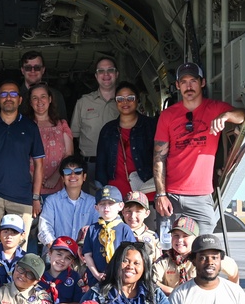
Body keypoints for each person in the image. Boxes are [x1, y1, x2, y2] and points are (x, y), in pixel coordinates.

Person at [153, 62, 245, 234]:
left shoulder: (216, 108)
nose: (189, 86)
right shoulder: (168, 115)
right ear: (178, 86)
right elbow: (159, 158)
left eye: (193, 81)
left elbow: (244, 115)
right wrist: (161, 195)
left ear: (202, 83)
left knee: (203, 249)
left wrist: (226, 116)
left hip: (201, 197)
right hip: (171, 196)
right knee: (170, 250)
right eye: (184, 81)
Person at [0, 81, 46, 254]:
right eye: (4, 95)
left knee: (20, 250)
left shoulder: (30, 127)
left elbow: (39, 164)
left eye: (13, 94)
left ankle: (17, 282)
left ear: (20, 100)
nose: (8, 98)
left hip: (22, 196)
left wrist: (35, 197)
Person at [95, 82, 156, 200]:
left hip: (146, 189)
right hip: (115, 192)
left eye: (130, 98)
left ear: (137, 100)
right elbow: (101, 161)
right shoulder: (108, 129)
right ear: (115, 102)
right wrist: (101, 188)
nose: (125, 102)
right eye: (120, 99)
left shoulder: (151, 125)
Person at [153, 216, 240, 294]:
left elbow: (233, 271)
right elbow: (153, 282)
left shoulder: (204, 258)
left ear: (195, 238)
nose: (180, 240)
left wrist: (233, 293)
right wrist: (176, 293)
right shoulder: (164, 260)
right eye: (176, 235)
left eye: (185, 236)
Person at [71, 56, 119, 188]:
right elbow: (73, 137)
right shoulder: (83, 102)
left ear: (116, 74)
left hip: (119, 164)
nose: (106, 75)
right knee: (90, 205)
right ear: (96, 76)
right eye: (101, 71)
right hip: (90, 165)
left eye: (110, 70)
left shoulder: (126, 102)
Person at [38, 154, 98, 250]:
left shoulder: (93, 202)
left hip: (83, 256)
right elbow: (44, 229)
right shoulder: (51, 201)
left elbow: (97, 231)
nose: (73, 175)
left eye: (78, 172)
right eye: (67, 172)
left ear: (84, 177)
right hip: (55, 255)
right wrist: (57, 249)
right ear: (62, 178)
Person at [26, 82, 73, 197]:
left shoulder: (62, 125)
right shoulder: (24, 126)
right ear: (30, 102)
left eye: (43, 97)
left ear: (50, 99)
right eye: (35, 98)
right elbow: (18, 155)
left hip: (58, 185)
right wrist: (33, 176)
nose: (39, 101)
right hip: (30, 186)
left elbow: (69, 154)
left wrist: (56, 176)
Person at [82, 185, 136, 283]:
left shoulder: (125, 229)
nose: (106, 207)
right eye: (102, 204)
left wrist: (119, 274)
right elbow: (87, 255)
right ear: (96, 207)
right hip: (96, 280)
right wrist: (97, 274)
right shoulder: (92, 229)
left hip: (119, 279)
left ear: (121, 206)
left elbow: (130, 255)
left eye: (111, 203)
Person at [38, 236, 84, 304]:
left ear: (71, 262)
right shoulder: (39, 274)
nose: (62, 260)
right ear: (49, 253)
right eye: (59, 254)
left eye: (67, 258)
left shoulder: (74, 277)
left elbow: (79, 303)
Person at [18, 50, 67, 120]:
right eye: (28, 68)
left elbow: (63, 123)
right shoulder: (14, 96)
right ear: (22, 70)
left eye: (37, 67)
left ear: (43, 70)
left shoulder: (56, 95)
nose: (32, 71)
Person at [123, 191, 162, 266]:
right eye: (129, 211)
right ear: (123, 212)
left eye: (138, 212)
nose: (132, 216)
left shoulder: (152, 237)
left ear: (147, 213)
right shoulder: (115, 233)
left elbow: (158, 264)